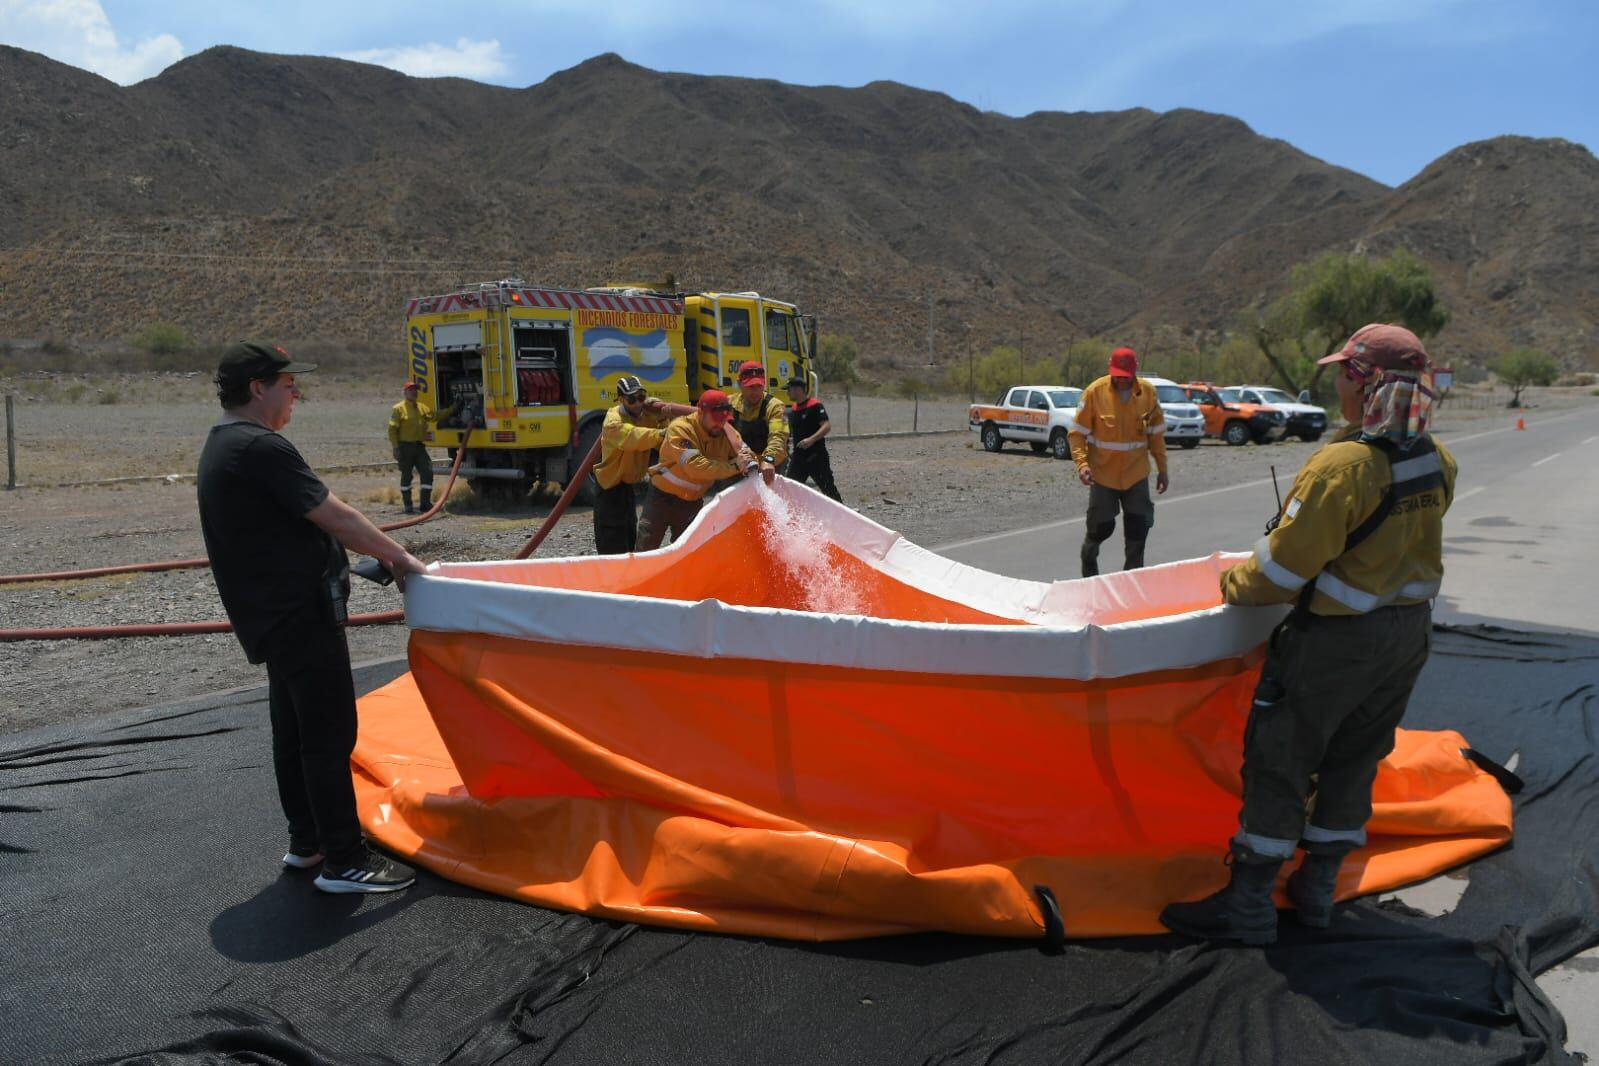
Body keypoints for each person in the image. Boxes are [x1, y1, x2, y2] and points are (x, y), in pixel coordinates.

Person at [1160, 323, 1454, 945]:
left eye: (1343, 373)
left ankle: (1247, 907)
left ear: (1361, 381)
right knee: (1355, 758)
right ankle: (1318, 889)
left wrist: (1230, 587)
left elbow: (1279, 572)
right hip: (1407, 640)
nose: (1339, 385)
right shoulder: (1436, 458)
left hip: (1337, 646)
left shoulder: (1343, 467)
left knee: (1281, 760)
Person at [198, 341, 429, 895]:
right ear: (258, 388)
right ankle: (346, 863)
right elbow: (333, 514)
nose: (296, 392)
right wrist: (397, 557)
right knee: (328, 735)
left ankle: (310, 842)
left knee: (295, 732)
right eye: (287, 383)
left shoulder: (224, 443)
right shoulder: (259, 447)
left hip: (273, 618)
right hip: (299, 615)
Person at [1066, 347, 1169, 576]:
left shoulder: (1149, 394)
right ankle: (1089, 561)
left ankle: (1131, 579)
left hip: (1136, 475)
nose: (1122, 380)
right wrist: (1082, 465)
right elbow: (1076, 435)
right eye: (1117, 375)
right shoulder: (1094, 392)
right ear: (1109, 370)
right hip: (1103, 475)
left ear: (1135, 371)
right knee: (1100, 526)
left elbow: (1157, 436)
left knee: (1138, 528)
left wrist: (1162, 469)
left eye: (1126, 376)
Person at [635, 389, 756, 551]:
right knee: (646, 549)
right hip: (661, 499)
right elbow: (695, 467)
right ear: (700, 412)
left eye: (723, 420)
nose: (719, 425)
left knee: (689, 553)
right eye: (715, 419)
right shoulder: (680, 429)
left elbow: (748, 456)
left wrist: (752, 461)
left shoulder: (726, 432)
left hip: (692, 503)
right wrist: (734, 466)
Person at [591, 375, 694, 554]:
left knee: (629, 537)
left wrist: (662, 415)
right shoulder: (613, 420)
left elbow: (661, 443)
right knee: (612, 544)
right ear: (621, 399)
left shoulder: (645, 415)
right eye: (632, 399)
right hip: (609, 489)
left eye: (641, 397)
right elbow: (633, 437)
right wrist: (663, 433)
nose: (638, 403)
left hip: (627, 487)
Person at [387, 381, 454, 514]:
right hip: (404, 447)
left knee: (427, 471)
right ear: (405, 392)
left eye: (415, 390)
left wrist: (452, 409)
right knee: (406, 475)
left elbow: (435, 416)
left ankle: (425, 504)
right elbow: (392, 429)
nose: (414, 392)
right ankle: (408, 505)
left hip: (418, 447)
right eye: (411, 390)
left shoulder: (421, 407)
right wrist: (395, 448)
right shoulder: (398, 409)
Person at [783, 376, 842, 502]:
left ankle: (844, 516)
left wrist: (811, 440)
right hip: (798, 457)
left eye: (789, 389)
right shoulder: (793, 410)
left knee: (828, 489)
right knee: (790, 488)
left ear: (798, 390)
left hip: (817, 456)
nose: (787, 393)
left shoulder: (815, 405)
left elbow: (826, 426)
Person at [731, 360, 788, 485]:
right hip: (741, 464)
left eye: (759, 386)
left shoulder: (776, 407)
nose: (755, 391)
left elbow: (778, 437)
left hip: (769, 466)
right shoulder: (729, 404)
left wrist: (769, 460)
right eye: (750, 387)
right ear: (739, 384)